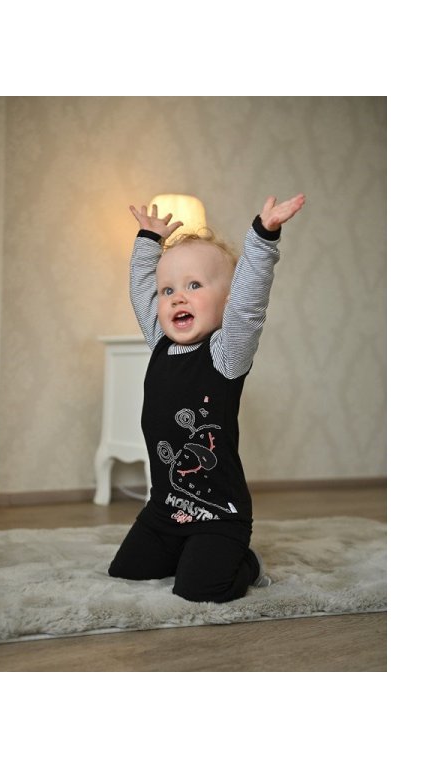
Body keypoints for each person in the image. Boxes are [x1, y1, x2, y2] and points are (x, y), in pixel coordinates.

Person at [107, 193, 306, 602]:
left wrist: (262, 237)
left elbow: (249, 304)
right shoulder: (161, 343)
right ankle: (187, 550)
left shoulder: (225, 355)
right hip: (164, 509)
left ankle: (246, 562)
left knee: (200, 590)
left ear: (227, 301)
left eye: (194, 285)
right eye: (168, 290)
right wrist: (148, 241)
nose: (177, 297)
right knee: (127, 572)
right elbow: (141, 290)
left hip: (218, 515)